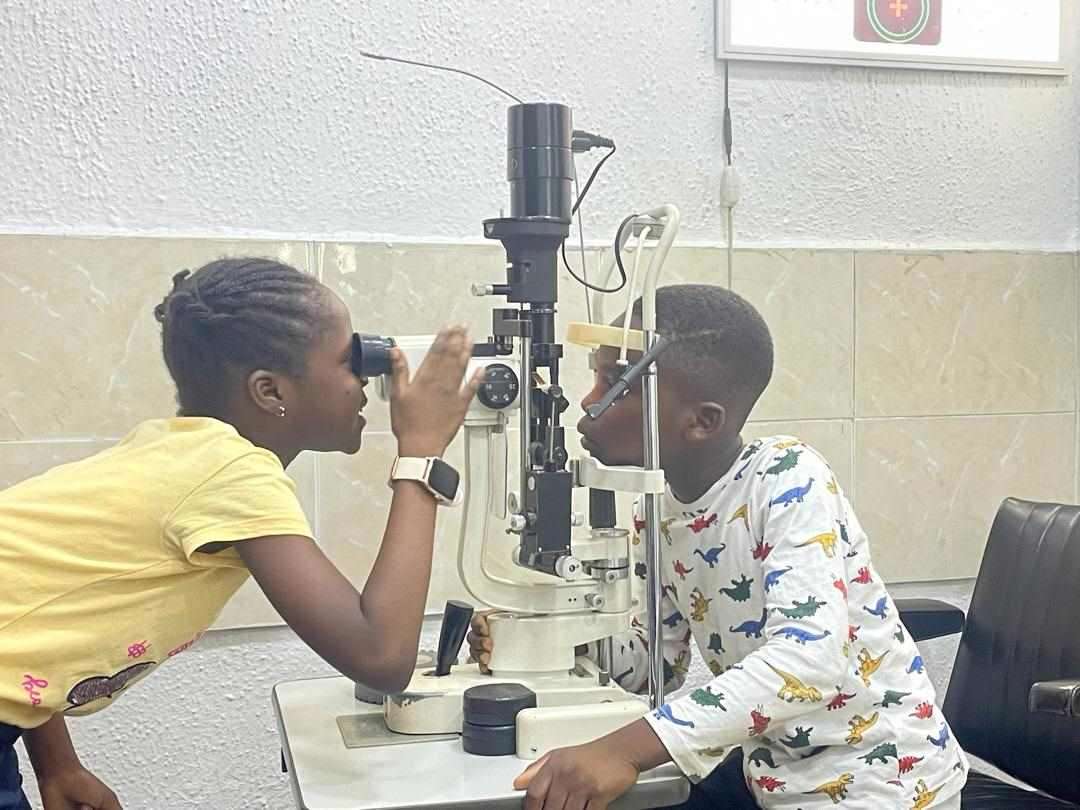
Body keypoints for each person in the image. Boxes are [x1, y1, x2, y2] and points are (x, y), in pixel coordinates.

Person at [0, 258, 482, 809]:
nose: (366, 382)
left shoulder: (175, 450)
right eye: (350, 362)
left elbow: (27, 608)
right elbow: (382, 656)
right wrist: (421, 451)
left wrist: (58, 765)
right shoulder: (233, 472)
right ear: (270, 390)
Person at [469, 284, 969, 809]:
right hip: (774, 778)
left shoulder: (786, 477)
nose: (590, 400)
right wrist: (537, 640)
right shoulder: (656, 507)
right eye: (597, 376)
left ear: (702, 421)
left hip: (884, 786)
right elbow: (654, 664)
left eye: (617, 382)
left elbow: (809, 662)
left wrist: (625, 750)